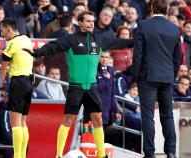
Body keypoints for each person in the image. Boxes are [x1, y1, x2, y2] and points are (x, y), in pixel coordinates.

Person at [24, 11, 133, 158]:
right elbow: (52, 46)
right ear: (80, 23)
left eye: (92, 21)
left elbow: (120, 42)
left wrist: (137, 41)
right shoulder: (70, 39)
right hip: (76, 87)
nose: (91, 23)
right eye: (87, 21)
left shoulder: (99, 39)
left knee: (97, 119)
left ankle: (101, 155)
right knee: (68, 120)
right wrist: (35, 53)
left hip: (92, 87)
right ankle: (58, 155)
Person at [132, 0, 182, 158]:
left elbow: (138, 54)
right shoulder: (174, 29)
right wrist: (171, 75)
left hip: (147, 77)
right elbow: (178, 57)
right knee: (167, 115)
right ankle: (171, 152)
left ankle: (150, 153)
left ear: (152, 8)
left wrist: (135, 76)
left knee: (148, 116)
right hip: (167, 77)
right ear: (167, 9)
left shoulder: (143, 25)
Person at [0, 18, 33, 158]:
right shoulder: (26, 39)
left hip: (17, 82)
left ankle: (17, 156)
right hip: (29, 82)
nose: (2, 34)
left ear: (9, 29)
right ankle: (22, 155)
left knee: (15, 122)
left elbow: (3, 69)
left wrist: (1, 88)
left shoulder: (12, 43)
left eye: (2, 31)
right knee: (23, 121)